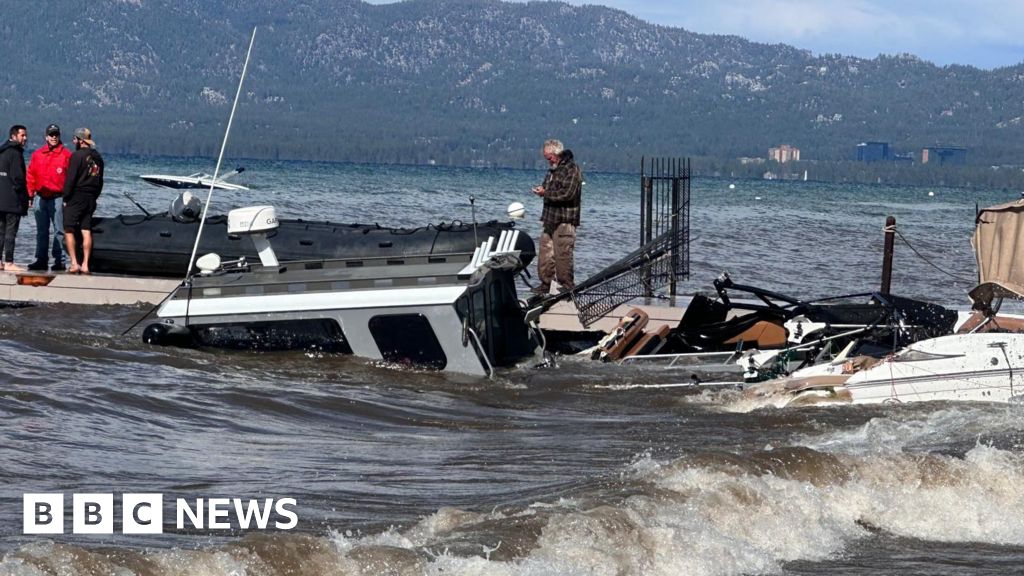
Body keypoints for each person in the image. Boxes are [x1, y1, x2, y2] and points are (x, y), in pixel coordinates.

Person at [531, 138, 582, 294]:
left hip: (565, 220)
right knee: (545, 255)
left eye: (549, 157)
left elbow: (567, 194)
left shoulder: (572, 169)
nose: (548, 160)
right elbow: (548, 188)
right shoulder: (552, 170)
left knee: (563, 256)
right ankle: (546, 284)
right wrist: (542, 190)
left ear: (557, 154)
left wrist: (546, 193)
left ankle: (566, 287)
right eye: (546, 157)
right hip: (549, 219)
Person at [26, 124, 72, 271]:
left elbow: (71, 179)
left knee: (59, 231)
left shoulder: (66, 155)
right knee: (41, 231)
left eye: (56, 134)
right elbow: (30, 175)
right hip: (40, 197)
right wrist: (30, 195)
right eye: (51, 134)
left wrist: (68, 198)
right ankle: (41, 259)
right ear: (46, 136)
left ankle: (60, 261)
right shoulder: (37, 154)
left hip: (58, 198)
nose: (54, 137)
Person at [62, 127, 104, 275]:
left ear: (80, 141)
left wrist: (66, 197)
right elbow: (100, 181)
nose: (73, 141)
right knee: (86, 230)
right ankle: (86, 264)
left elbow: (70, 179)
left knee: (68, 229)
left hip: (76, 196)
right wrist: (94, 196)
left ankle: (74, 263)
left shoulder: (76, 156)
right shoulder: (98, 157)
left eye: (75, 139)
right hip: (91, 197)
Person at [0, 125, 29, 272]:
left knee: (0, 231)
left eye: (25, 135)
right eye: (22, 135)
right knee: (11, 232)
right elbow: (18, 179)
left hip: (0, 200)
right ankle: (9, 262)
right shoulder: (15, 153)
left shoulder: (2, 151)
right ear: (13, 136)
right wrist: (25, 198)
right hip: (12, 201)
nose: (25, 138)